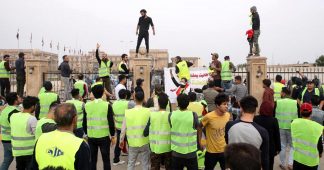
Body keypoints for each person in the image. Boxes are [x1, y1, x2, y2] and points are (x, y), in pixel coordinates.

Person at [32, 103, 91, 170]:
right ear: (74, 119)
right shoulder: (81, 145)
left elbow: (33, 167)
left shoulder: (41, 139)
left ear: (55, 118)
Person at [225, 96, 269, 170]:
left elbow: (227, 142)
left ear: (241, 108)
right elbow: (265, 158)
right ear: (255, 110)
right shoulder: (262, 131)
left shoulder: (229, 125)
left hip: (233, 165)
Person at [84, 84, 116, 170]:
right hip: (104, 137)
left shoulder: (87, 105)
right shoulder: (107, 105)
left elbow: (84, 122)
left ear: (92, 93)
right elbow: (111, 122)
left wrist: (86, 134)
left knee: (93, 161)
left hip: (91, 137)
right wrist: (113, 136)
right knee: (106, 160)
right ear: (103, 93)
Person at [120, 92, 151, 170]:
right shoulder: (148, 111)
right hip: (145, 142)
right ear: (144, 99)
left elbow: (123, 129)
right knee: (145, 164)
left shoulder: (128, 112)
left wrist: (121, 141)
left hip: (132, 143)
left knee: (131, 163)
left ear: (134, 99)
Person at [169, 94, 201, 170]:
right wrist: (199, 143)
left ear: (178, 103)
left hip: (176, 152)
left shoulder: (171, 115)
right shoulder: (193, 115)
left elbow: (171, 126)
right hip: (191, 152)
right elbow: (198, 127)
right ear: (188, 103)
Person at [200, 93, 231, 170]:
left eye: (227, 104)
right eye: (224, 104)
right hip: (211, 152)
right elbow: (199, 127)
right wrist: (201, 141)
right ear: (217, 105)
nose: (227, 106)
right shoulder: (208, 117)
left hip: (224, 150)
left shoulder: (228, 115)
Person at [143, 93, 172, 170]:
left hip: (155, 148)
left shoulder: (152, 115)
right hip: (168, 148)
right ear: (167, 104)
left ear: (158, 103)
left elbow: (145, 133)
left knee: (154, 167)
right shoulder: (171, 115)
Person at [10, 96, 39, 170]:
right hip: (29, 152)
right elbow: (37, 134)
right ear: (32, 107)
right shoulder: (31, 118)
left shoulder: (13, 116)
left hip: (17, 151)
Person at [291, 103, 323, 170]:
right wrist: (320, 153)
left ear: (300, 112)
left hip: (298, 159)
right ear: (311, 113)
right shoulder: (318, 127)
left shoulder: (293, 123)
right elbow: (319, 144)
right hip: (311, 162)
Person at [274, 87, 298, 170]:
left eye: (281, 92)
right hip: (292, 127)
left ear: (283, 93)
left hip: (280, 126)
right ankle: (290, 164)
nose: (280, 93)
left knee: (282, 146)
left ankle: (283, 164)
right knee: (292, 146)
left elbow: (274, 114)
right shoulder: (295, 102)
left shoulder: (277, 102)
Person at [254, 101, 281, 170]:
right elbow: (277, 135)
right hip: (270, 148)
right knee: (269, 166)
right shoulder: (274, 120)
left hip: (258, 146)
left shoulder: (255, 119)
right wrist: (278, 148)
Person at [0, 92, 21, 170]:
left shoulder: (5, 110)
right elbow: (18, 126)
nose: (20, 98)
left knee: (7, 160)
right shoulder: (14, 112)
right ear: (15, 101)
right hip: (12, 140)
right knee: (21, 161)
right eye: (18, 97)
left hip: (5, 139)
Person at [112, 89, 128, 166]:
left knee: (118, 143)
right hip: (127, 128)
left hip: (118, 127)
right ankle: (131, 161)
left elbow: (113, 116)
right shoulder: (128, 103)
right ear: (126, 96)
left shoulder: (114, 104)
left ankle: (116, 160)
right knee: (130, 145)